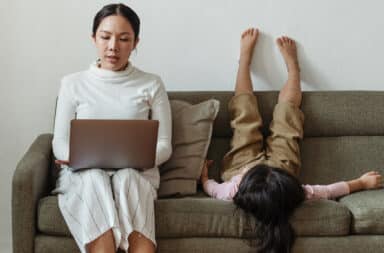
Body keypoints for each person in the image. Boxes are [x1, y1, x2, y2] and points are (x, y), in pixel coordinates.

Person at [200, 28, 383, 253]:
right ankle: (294, 70)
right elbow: (329, 190)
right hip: (281, 169)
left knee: (243, 115)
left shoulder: (233, 191)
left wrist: (204, 176)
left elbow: (212, 189)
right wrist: (361, 183)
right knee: (288, 117)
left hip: (241, 167)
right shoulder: (293, 193)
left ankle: (244, 62)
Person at [52, 4, 172, 253]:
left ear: (136, 42)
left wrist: (136, 161)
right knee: (94, 178)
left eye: (124, 39)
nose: (113, 46)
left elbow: (164, 145)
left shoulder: (151, 84)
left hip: (136, 171)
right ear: (93, 38)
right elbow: (59, 142)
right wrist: (73, 157)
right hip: (85, 173)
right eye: (105, 37)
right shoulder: (72, 84)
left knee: (128, 177)